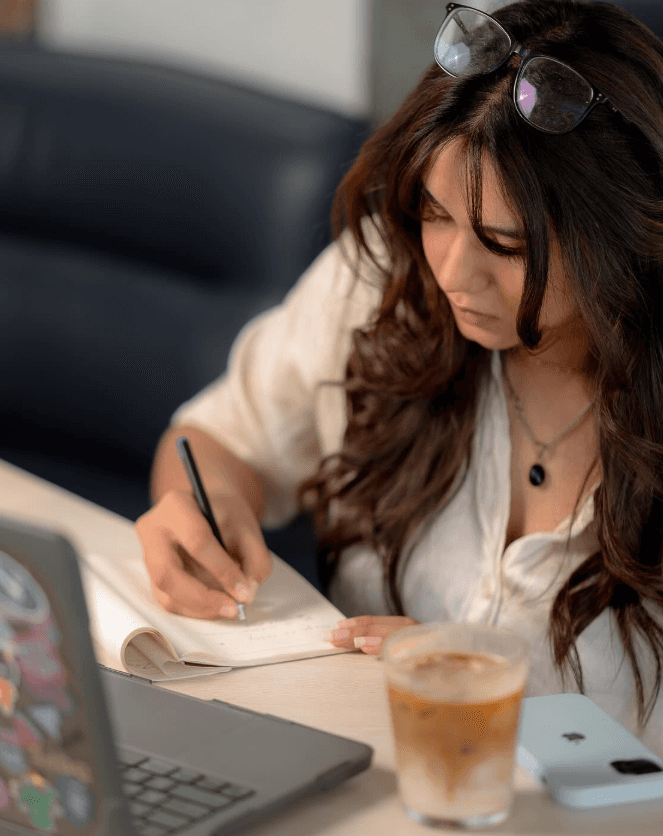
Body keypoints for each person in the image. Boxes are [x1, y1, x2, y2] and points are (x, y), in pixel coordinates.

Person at [134, 0, 663, 754]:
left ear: (625, 237)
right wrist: (206, 505)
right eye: (433, 212)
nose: (450, 272)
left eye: (504, 244)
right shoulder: (383, 285)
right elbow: (221, 435)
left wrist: (499, 696)